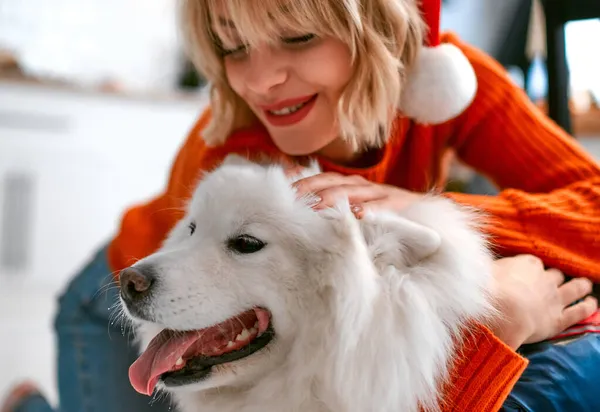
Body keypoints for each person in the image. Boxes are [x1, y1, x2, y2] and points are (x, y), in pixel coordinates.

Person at [3, 0, 600, 411]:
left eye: (298, 36)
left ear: (378, 31)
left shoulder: (451, 84)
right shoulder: (239, 154)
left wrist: (424, 211)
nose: (260, 81)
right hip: (121, 300)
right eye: (234, 48)